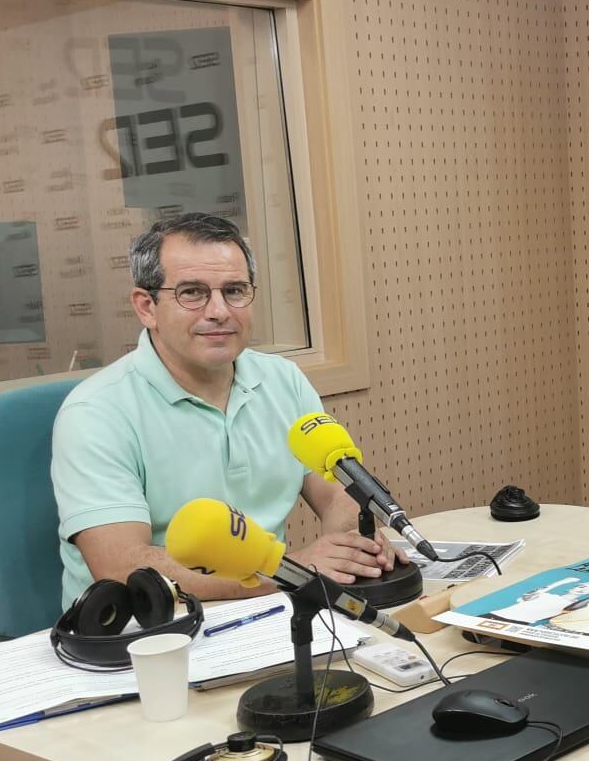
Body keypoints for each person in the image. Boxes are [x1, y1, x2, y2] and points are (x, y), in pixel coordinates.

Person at [51, 213, 404, 608]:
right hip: (147, 635)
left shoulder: (283, 380)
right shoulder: (95, 413)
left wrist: (353, 548)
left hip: (271, 609)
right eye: (192, 293)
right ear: (146, 307)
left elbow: (338, 493)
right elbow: (122, 566)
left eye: (234, 290)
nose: (219, 311)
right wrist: (292, 570)